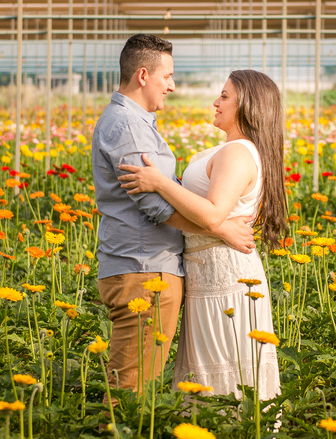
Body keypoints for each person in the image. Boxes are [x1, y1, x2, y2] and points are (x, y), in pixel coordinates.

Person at [91, 34, 255, 392]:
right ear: (144, 76)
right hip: (143, 268)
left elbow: (159, 189)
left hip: (147, 265)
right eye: (168, 77)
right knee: (132, 386)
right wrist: (220, 228)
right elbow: (154, 205)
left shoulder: (137, 122)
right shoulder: (128, 126)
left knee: (139, 378)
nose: (173, 86)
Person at [118, 69, 286, 402]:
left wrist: (161, 183)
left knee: (227, 368)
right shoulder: (228, 150)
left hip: (226, 276)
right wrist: (219, 225)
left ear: (247, 105)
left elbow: (211, 213)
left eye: (225, 96)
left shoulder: (238, 154)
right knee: (211, 368)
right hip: (207, 269)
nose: (216, 102)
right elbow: (213, 216)